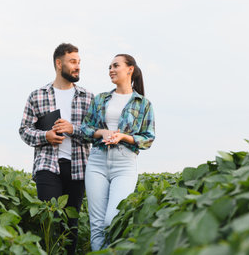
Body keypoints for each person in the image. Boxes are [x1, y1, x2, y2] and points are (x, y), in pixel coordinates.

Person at [19, 43, 94, 255]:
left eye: (79, 62)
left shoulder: (88, 98)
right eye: (73, 62)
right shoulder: (37, 95)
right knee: (50, 223)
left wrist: (73, 129)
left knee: (71, 226)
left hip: (78, 167)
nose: (77, 66)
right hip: (47, 166)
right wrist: (46, 136)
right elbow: (24, 130)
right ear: (58, 63)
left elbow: (96, 132)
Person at [80, 54, 156, 251]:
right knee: (96, 224)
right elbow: (85, 129)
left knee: (112, 220)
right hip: (97, 161)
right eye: (109, 67)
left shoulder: (143, 104)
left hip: (124, 164)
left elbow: (148, 138)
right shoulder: (100, 99)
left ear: (130, 69)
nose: (111, 70)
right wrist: (102, 132)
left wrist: (123, 137)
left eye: (116, 66)